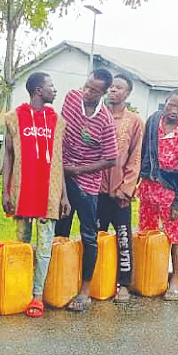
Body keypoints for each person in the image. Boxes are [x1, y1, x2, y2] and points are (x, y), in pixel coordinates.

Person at [2, 72, 70, 318]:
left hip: (48, 193)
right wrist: (5, 189)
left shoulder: (57, 120)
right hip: (22, 190)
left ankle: (37, 295)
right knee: (22, 243)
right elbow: (8, 155)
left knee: (43, 247)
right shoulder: (14, 118)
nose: (55, 90)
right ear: (39, 90)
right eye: (51, 86)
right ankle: (19, 290)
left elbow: (59, 160)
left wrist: (63, 195)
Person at [55, 68, 118, 312]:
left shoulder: (105, 119)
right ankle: (58, 282)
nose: (87, 92)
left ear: (103, 93)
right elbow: (61, 131)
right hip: (62, 178)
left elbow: (111, 158)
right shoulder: (71, 98)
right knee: (60, 231)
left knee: (88, 236)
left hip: (87, 185)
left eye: (94, 90)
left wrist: (79, 171)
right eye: (87, 86)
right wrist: (62, 171)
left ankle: (85, 290)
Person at [138, 89, 178, 301]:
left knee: (174, 235)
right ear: (165, 102)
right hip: (147, 186)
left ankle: (175, 281)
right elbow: (144, 152)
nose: (173, 110)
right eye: (171, 105)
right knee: (147, 233)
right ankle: (150, 277)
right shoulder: (154, 121)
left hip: (170, 192)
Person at [97, 73, 143, 303]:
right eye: (111, 87)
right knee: (95, 238)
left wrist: (126, 188)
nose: (113, 90)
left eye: (119, 88)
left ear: (127, 93)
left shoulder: (134, 121)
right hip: (95, 191)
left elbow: (135, 157)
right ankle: (95, 280)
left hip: (120, 193)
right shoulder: (97, 115)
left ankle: (123, 284)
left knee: (123, 239)